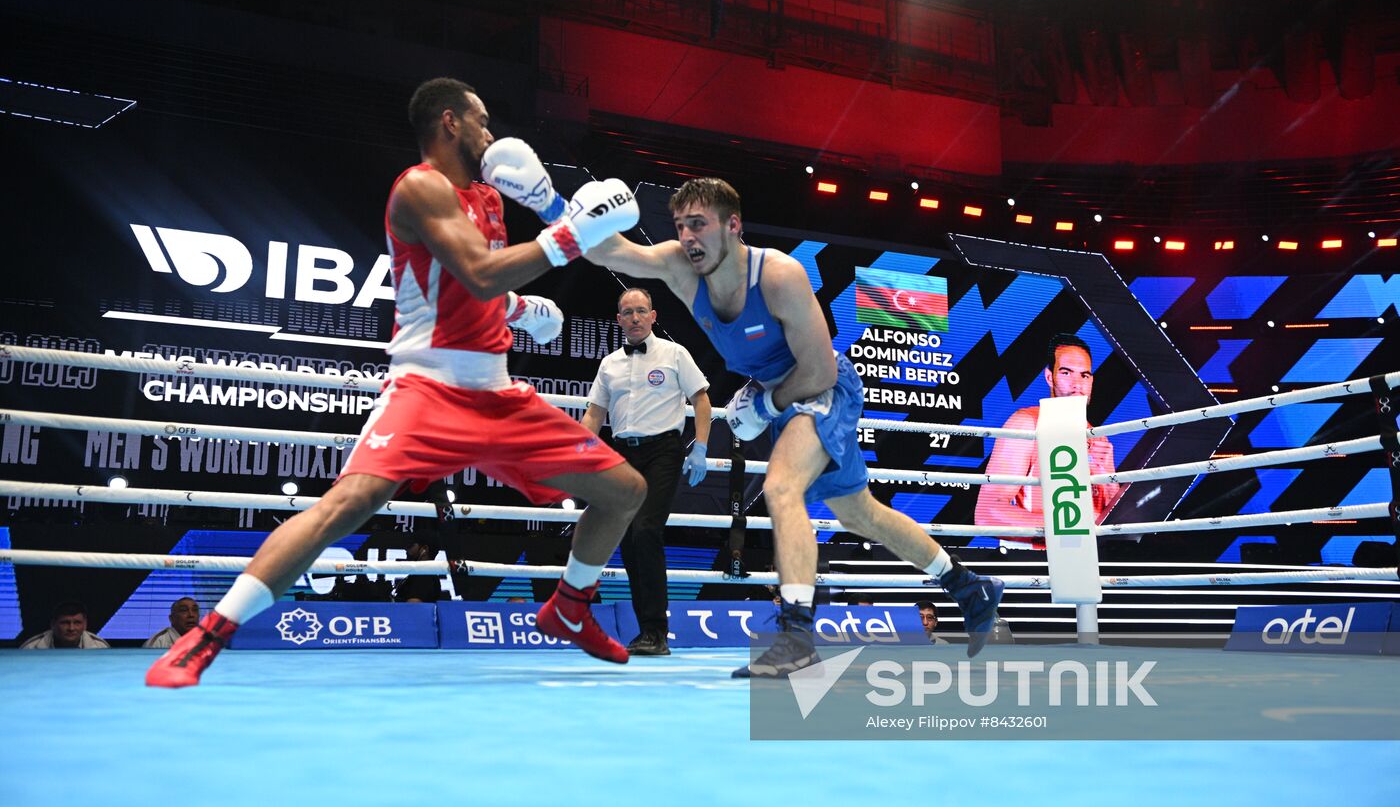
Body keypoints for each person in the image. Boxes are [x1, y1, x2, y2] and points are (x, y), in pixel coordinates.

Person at [147, 77, 647, 687]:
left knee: (624, 490)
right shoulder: (419, 188)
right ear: (449, 122)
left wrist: (518, 308)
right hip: (428, 387)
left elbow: (468, 290)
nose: (491, 134)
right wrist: (567, 234)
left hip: (496, 391)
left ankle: (569, 607)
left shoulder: (488, 200)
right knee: (349, 504)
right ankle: (208, 635)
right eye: (482, 120)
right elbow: (481, 273)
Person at [583, 177, 1004, 677]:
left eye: (699, 224)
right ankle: (968, 586)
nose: (688, 237)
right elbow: (613, 252)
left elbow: (820, 370)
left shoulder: (778, 275)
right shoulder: (680, 267)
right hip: (784, 400)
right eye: (680, 226)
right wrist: (557, 209)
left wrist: (763, 403)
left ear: (733, 226)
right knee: (859, 514)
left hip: (823, 389)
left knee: (782, 488)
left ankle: (797, 638)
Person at [580, 286, 712, 656]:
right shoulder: (610, 364)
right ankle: (647, 631)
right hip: (623, 454)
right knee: (628, 541)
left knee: (646, 530)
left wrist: (699, 446)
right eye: (627, 312)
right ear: (619, 319)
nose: (635, 318)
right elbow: (595, 413)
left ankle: (657, 630)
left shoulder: (674, 353)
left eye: (641, 311)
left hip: (663, 453)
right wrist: (577, 450)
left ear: (653, 316)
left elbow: (701, 398)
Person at [974, 333, 1124, 534]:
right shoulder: (1027, 424)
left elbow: (1113, 523)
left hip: (1091, 560)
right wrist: (1071, 527)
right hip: (1040, 560)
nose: (1077, 384)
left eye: (1084, 375)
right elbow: (987, 514)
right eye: (1066, 373)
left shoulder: (1097, 436)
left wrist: (1107, 472)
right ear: (1049, 377)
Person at [20, 601, 110, 649]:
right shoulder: (31, 648)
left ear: (85, 624)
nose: (71, 628)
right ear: (53, 624)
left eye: (77, 623)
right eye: (65, 623)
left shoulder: (100, 648)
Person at [393, 536, 445, 604]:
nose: (406, 550)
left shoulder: (423, 575)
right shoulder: (423, 573)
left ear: (424, 549)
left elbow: (413, 608)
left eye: (411, 546)